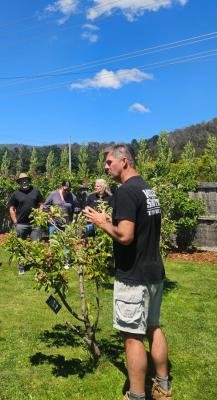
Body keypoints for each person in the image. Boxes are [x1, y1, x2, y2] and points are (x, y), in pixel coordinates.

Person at [83, 143, 172, 400]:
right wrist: (110, 221)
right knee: (153, 327)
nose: (105, 167)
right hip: (154, 271)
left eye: (109, 162)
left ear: (124, 162)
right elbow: (138, 227)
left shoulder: (125, 192)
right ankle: (163, 387)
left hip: (134, 276)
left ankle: (136, 395)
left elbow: (125, 236)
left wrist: (101, 223)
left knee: (132, 337)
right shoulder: (147, 189)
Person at [8, 173, 44, 276]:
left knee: (37, 246)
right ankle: (21, 267)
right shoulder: (15, 194)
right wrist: (15, 221)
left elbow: (41, 205)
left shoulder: (35, 191)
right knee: (21, 247)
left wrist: (39, 217)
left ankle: (38, 267)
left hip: (35, 224)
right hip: (21, 225)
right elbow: (11, 209)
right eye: (22, 180)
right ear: (19, 182)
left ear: (29, 181)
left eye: (26, 180)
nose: (24, 182)